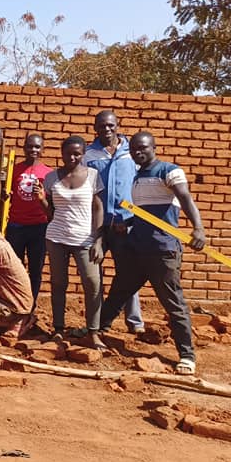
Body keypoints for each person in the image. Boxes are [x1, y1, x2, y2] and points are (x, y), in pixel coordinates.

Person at [99, 132, 206, 375]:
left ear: (154, 147)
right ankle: (97, 332)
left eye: (143, 147)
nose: (138, 152)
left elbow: (185, 198)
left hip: (162, 251)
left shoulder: (169, 171)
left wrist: (198, 228)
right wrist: (127, 224)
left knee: (173, 303)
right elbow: (143, 214)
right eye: (134, 149)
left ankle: (187, 356)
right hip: (136, 249)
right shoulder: (136, 177)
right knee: (118, 293)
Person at [34, 136, 105, 348]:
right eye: (68, 153)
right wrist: (41, 200)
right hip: (56, 237)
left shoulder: (93, 175)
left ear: (83, 154)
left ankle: (93, 331)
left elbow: (98, 207)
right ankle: (58, 329)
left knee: (92, 282)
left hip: (84, 239)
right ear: (62, 153)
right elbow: (50, 213)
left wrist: (98, 239)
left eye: (77, 154)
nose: (72, 157)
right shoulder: (51, 178)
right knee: (58, 283)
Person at [85, 110, 144, 333]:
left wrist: (134, 218)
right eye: (102, 126)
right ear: (95, 128)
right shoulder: (89, 154)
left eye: (111, 125)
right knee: (95, 275)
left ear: (117, 126)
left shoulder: (131, 152)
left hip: (125, 224)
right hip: (97, 225)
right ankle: (99, 321)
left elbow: (140, 184)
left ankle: (134, 321)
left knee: (128, 274)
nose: (107, 129)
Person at [5, 133, 53, 306]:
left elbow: (51, 203)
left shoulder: (49, 173)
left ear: (43, 150)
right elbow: (7, 195)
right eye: (30, 146)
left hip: (39, 227)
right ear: (24, 148)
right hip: (16, 226)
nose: (33, 150)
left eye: (37, 147)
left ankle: (30, 305)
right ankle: (16, 303)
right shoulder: (14, 170)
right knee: (15, 269)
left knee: (35, 269)